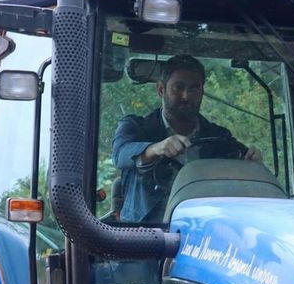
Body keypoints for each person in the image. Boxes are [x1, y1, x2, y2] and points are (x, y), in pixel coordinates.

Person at [112, 55, 261, 222]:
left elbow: (238, 177)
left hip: (204, 230)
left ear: (202, 91)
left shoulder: (219, 137)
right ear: (161, 90)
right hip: (146, 235)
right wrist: (155, 148)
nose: (186, 96)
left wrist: (251, 165)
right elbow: (121, 155)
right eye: (178, 87)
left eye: (194, 88)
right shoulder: (135, 127)